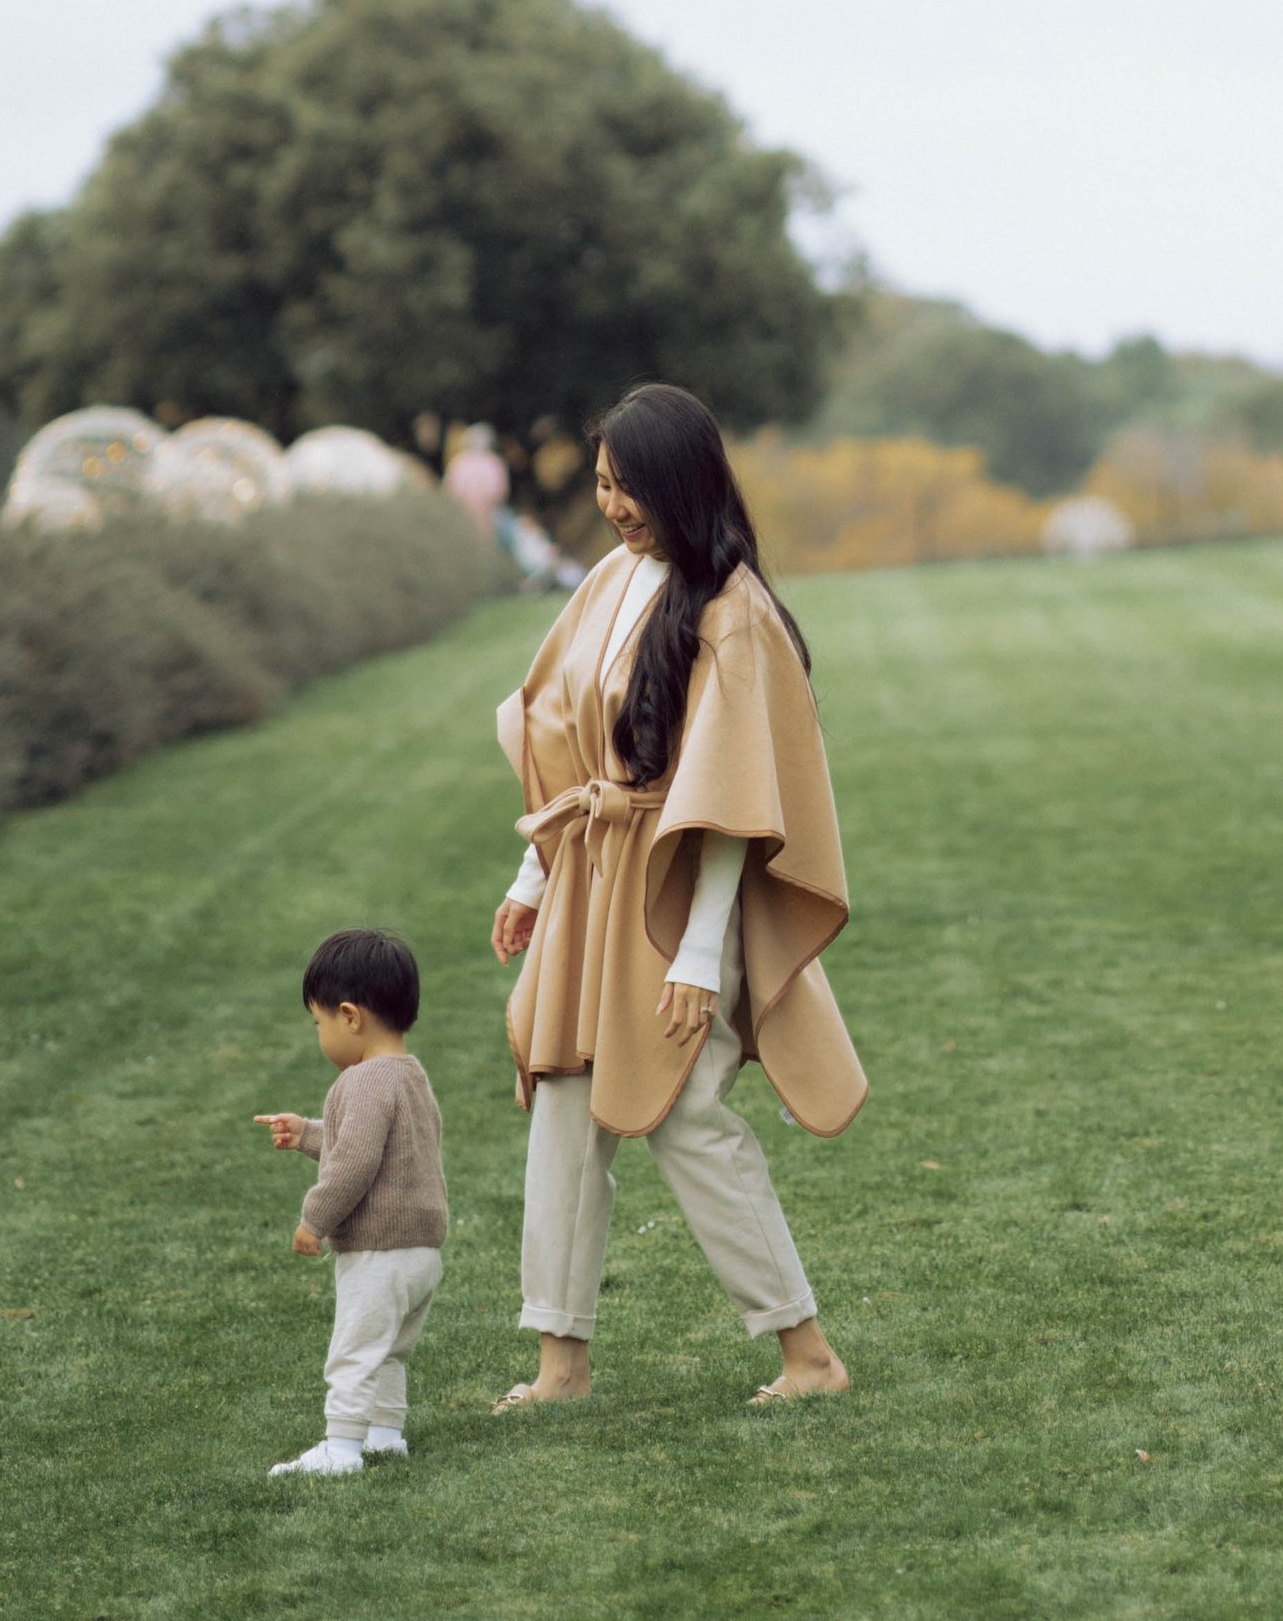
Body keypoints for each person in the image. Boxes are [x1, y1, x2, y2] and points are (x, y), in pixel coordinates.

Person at [490, 383, 864, 1409]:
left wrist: (703, 954)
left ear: (680, 480)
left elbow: (736, 801)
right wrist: (533, 877)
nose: (613, 503)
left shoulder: (734, 614)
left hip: (676, 894)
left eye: (631, 484)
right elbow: (563, 734)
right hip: (592, 884)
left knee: (688, 1111)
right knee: (564, 1102)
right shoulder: (609, 580)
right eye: (603, 482)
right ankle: (559, 1362)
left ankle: (809, 1352)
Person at [254, 928, 449, 1475]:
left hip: (378, 1254)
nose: (320, 1035)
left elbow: (356, 1163)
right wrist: (308, 1134)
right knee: (389, 1350)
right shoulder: (411, 1076)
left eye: (319, 1023)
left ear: (350, 1016)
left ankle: (340, 1447)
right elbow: (383, 1147)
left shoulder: (361, 1082)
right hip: (421, 1254)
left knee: (355, 1349)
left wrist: (314, 1220)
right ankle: (386, 1433)